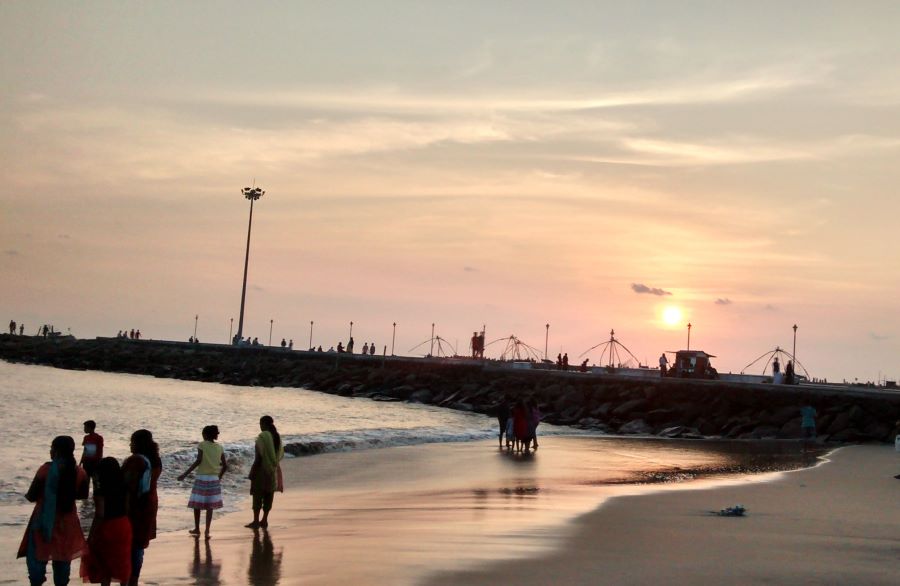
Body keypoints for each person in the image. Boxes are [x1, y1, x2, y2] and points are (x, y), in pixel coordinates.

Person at [18, 435, 89, 586]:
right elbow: (82, 496)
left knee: (36, 566)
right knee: (62, 566)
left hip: (43, 521)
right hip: (67, 524)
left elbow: (31, 496)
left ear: (56, 451)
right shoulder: (80, 473)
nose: (50, 451)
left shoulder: (45, 470)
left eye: (51, 448)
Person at [80, 457, 132, 585]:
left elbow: (100, 514)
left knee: (104, 564)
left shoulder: (101, 491)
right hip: (123, 524)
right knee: (122, 560)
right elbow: (127, 508)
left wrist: (91, 536)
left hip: (108, 527)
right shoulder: (124, 486)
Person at [122, 429, 161, 586]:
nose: (130, 444)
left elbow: (126, 486)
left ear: (139, 443)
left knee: (129, 544)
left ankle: (128, 578)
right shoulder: (155, 460)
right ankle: (134, 579)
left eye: (132, 441)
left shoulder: (135, 462)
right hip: (150, 502)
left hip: (134, 505)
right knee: (139, 544)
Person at [178, 425, 228, 538]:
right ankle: (207, 531)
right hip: (214, 479)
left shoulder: (202, 445)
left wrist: (185, 474)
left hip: (202, 477)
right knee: (210, 507)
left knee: (197, 505)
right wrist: (219, 477)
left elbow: (198, 461)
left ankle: (197, 528)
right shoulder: (220, 447)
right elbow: (225, 466)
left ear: (205, 435)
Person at [246, 416, 284, 529]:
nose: (260, 426)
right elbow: (279, 454)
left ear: (264, 424)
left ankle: (256, 521)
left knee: (257, 495)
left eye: (260, 423)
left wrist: (252, 471)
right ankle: (264, 520)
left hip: (261, 470)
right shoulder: (276, 437)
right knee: (268, 495)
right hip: (273, 470)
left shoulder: (262, 437)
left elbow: (259, 458)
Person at [80, 420, 104, 494]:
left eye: (85, 427)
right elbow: (85, 451)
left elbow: (100, 451)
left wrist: (99, 462)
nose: (84, 429)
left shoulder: (98, 438)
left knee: (95, 482)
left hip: (95, 462)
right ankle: (86, 501)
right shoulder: (86, 437)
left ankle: (94, 499)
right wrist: (81, 461)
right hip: (87, 462)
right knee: (87, 482)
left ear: (90, 428)